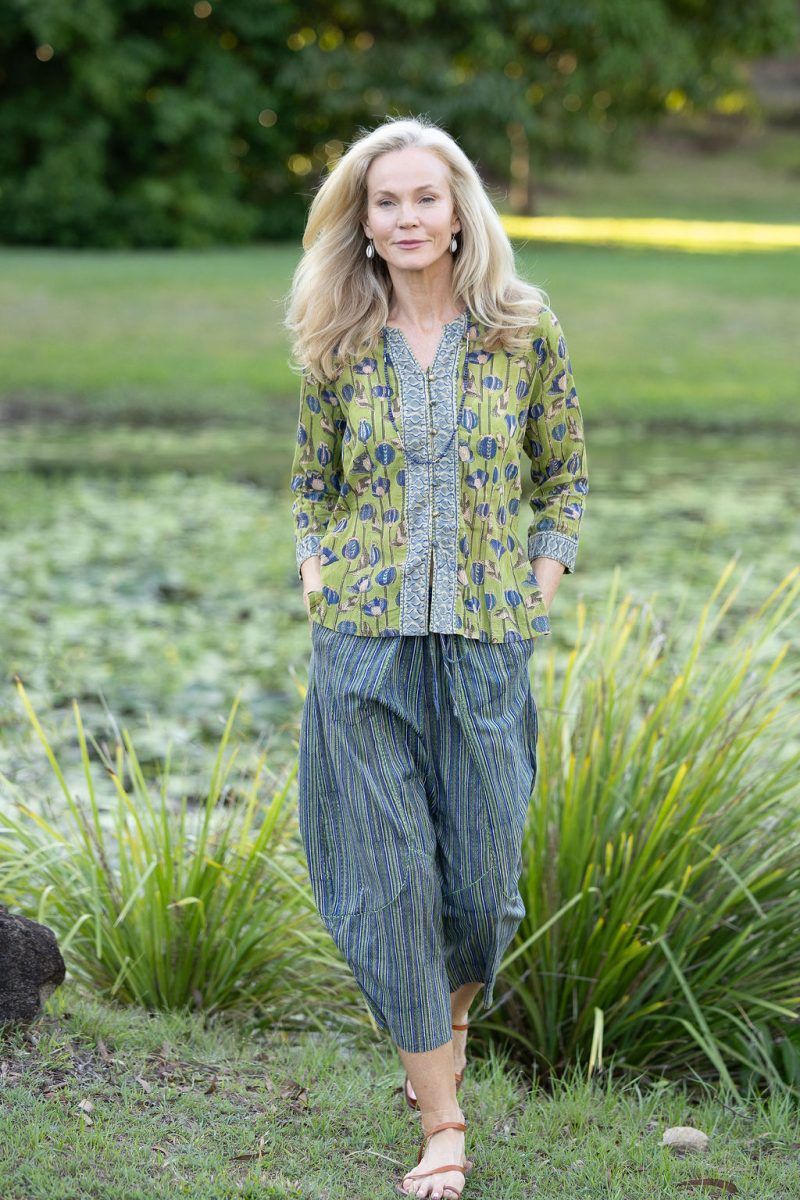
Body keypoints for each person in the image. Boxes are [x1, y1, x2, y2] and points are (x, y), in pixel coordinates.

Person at [284, 114, 588, 1199]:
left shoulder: (521, 328)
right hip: (361, 651)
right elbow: (310, 487)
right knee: (392, 880)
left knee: (480, 894)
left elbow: (563, 478)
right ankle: (443, 1123)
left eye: (422, 197)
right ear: (361, 224)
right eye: (384, 202)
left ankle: (433, 1048)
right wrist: (320, 574)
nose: (405, 218)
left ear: (458, 210)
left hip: (486, 645)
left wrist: (537, 581)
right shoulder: (338, 336)